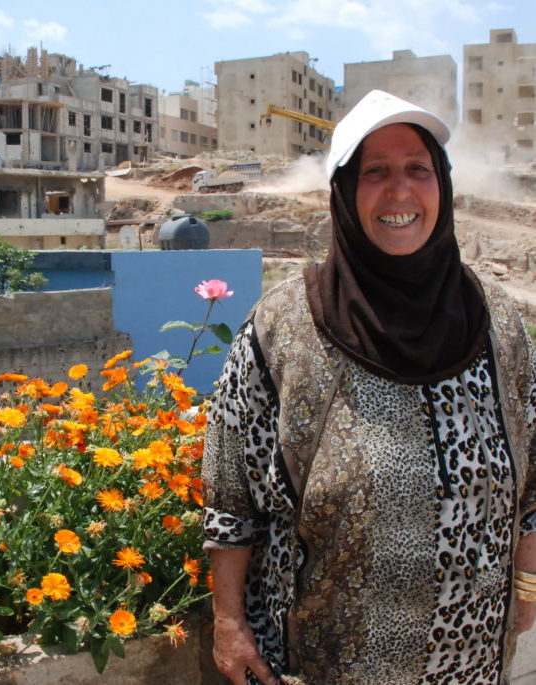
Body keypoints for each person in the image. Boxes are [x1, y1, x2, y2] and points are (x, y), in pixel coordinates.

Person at [202, 90, 536, 685]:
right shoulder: (283, 328)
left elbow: (532, 476)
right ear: (345, 193)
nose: (400, 192)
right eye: (375, 172)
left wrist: (528, 585)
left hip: (474, 660)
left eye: (418, 170)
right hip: (325, 660)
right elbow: (231, 502)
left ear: (444, 187)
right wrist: (229, 625)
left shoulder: (500, 323)